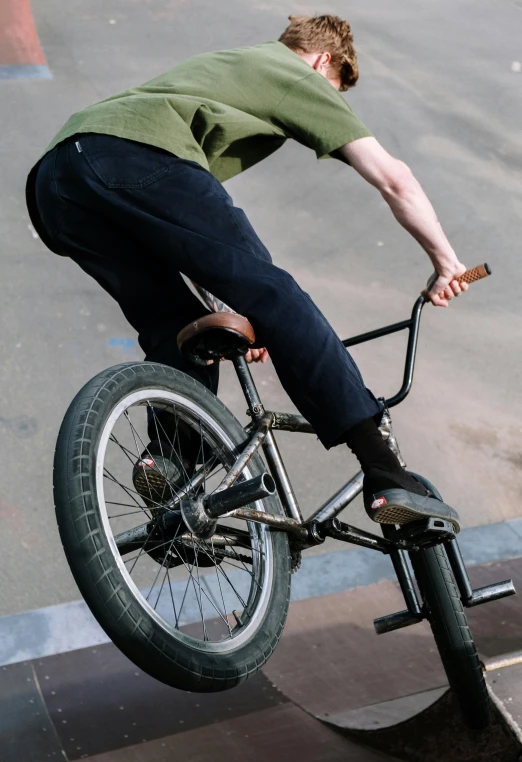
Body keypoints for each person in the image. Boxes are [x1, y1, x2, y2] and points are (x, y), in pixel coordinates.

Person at [26, 14, 465, 526]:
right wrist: (445, 261)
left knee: (177, 327)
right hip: (132, 156)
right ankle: (384, 469)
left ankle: (170, 468)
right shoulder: (296, 72)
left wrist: (230, 305)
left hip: (57, 184)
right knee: (275, 296)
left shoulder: (233, 66)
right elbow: (394, 178)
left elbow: (188, 234)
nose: (332, 104)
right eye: (335, 91)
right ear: (324, 61)